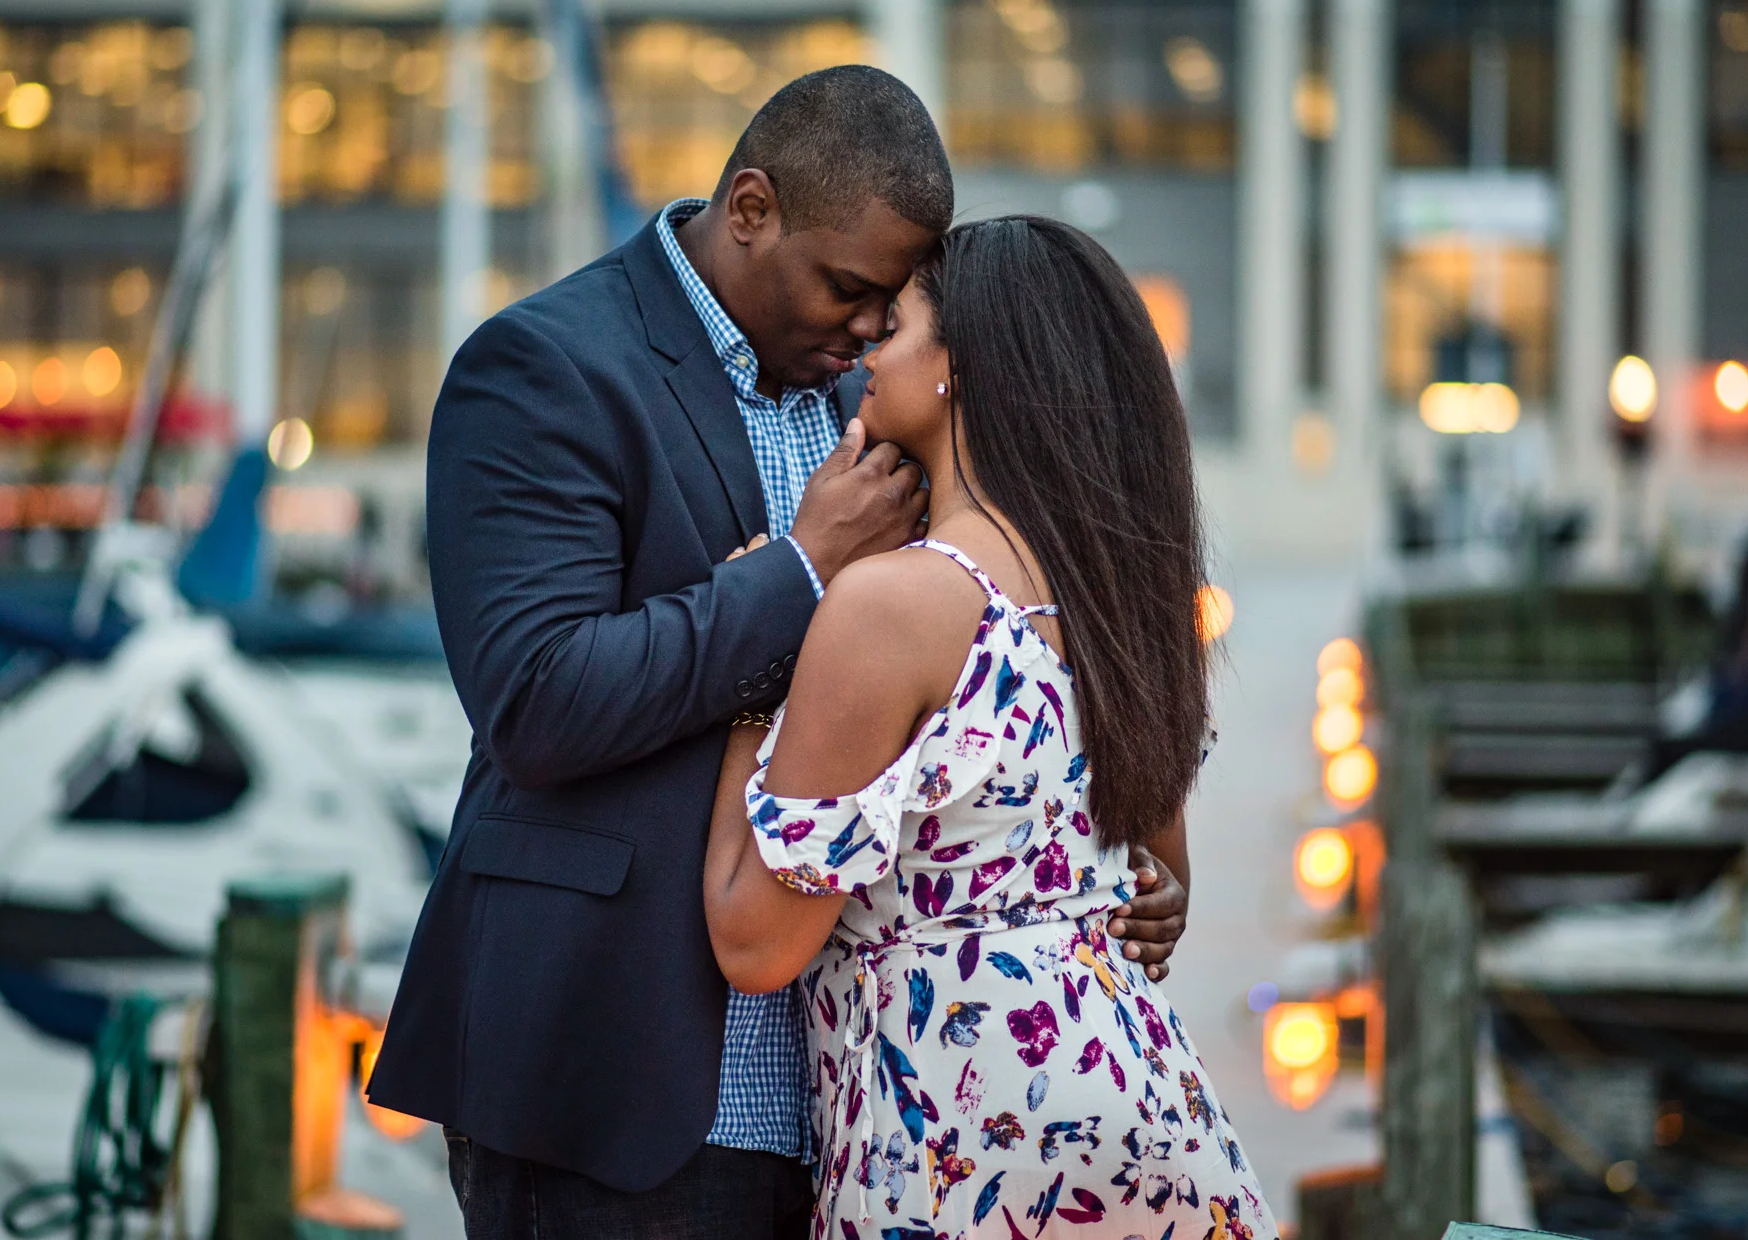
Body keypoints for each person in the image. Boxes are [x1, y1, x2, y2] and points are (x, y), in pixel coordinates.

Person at [366, 65, 1193, 1239]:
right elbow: (535, 699)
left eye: (888, 306)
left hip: (866, 1107)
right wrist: (795, 576)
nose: (865, 330)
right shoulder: (545, 367)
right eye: (848, 288)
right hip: (618, 1082)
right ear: (749, 208)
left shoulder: (875, 410)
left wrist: (1097, 879)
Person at [704, 216, 1277, 1239]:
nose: (870, 344)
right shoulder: (1125, 598)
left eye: (900, 322)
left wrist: (753, 684)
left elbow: (754, 939)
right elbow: (1157, 879)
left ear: (958, 369)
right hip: (1137, 1113)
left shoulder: (892, 606)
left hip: (956, 1140)